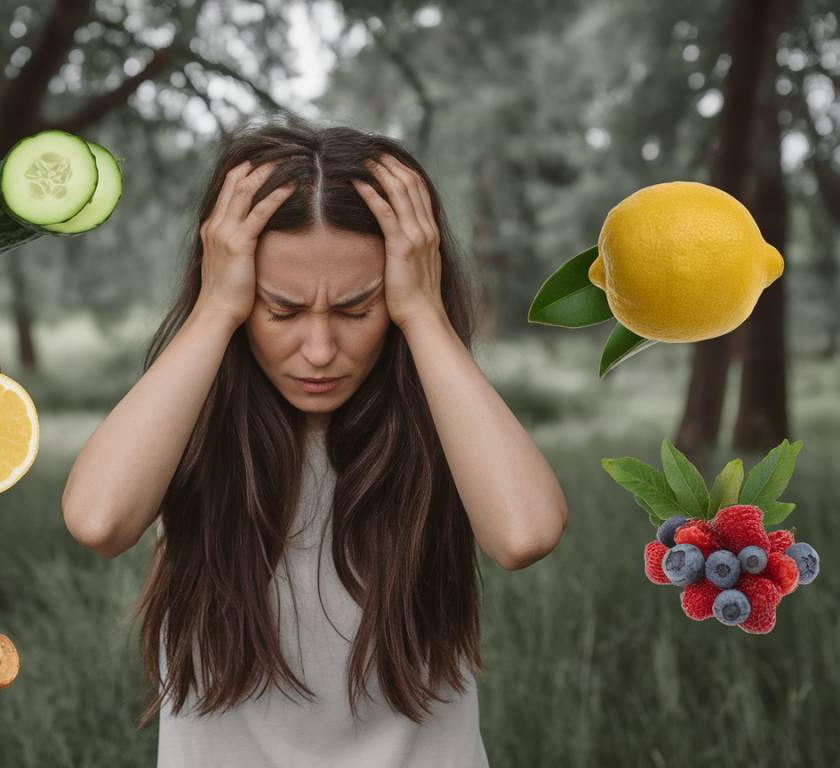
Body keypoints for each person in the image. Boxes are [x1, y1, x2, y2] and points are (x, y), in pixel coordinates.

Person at [61, 114, 568, 767]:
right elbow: (100, 521)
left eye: (359, 309)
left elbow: (525, 534)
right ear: (236, 291)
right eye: (283, 310)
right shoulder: (189, 412)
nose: (321, 351)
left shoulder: (442, 414)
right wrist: (214, 310)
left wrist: (424, 315)